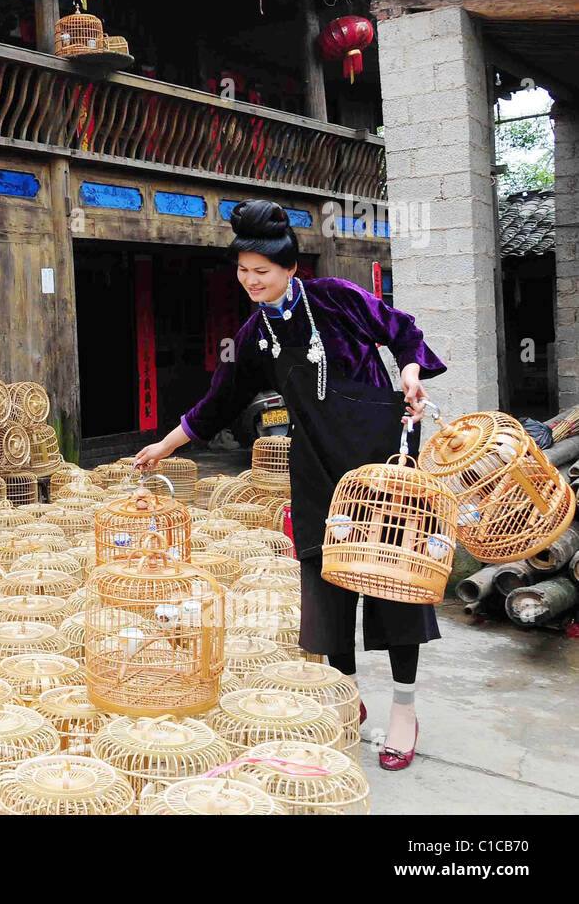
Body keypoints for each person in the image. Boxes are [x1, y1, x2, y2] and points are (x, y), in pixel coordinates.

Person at [134, 199, 446, 771]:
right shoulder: (254, 336)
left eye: (261, 271)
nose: (250, 281)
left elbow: (403, 332)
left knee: (394, 583)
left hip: (381, 461)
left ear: (289, 269)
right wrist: (164, 445)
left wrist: (408, 374)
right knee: (326, 588)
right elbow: (218, 402)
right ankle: (347, 698)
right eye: (243, 271)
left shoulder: (337, 298)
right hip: (318, 469)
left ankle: (404, 710)